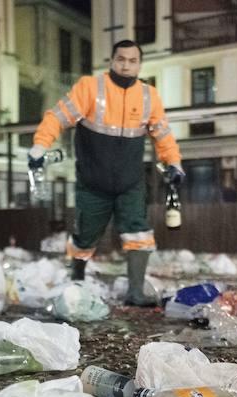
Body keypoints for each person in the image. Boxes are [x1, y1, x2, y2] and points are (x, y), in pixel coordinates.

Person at [28, 39, 184, 307]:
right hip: (92, 182)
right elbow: (57, 117)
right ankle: (76, 277)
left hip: (130, 183)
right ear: (111, 61)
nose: (126, 65)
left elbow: (163, 134)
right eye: (121, 59)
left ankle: (135, 292)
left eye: (132, 61)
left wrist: (173, 162)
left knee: (139, 233)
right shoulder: (90, 88)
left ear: (139, 64)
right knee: (85, 236)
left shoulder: (149, 96)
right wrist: (40, 146)